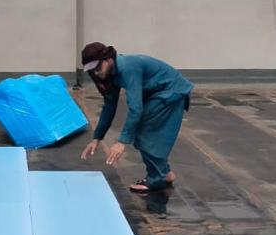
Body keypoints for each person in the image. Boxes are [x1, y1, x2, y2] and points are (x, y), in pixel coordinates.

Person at [79, 42, 193, 193]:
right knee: (142, 134)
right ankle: (164, 174)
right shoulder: (110, 74)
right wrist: (97, 138)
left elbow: (135, 109)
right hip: (157, 93)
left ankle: (157, 179)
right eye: (92, 70)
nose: (96, 72)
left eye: (98, 67)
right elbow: (109, 106)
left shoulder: (128, 68)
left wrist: (121, 142)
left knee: (144, 135)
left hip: (171, 91)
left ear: (108, 59)